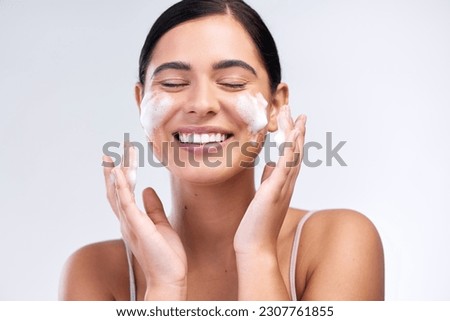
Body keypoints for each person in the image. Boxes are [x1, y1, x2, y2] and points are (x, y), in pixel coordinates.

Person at [59, 0, 384, 301]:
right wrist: (164, 287)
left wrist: (257, 254)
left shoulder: (339, 243)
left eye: (231, 83)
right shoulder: (94, 273)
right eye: (172, 83)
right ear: (140, 103)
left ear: (275, 106)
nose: (201, 105)